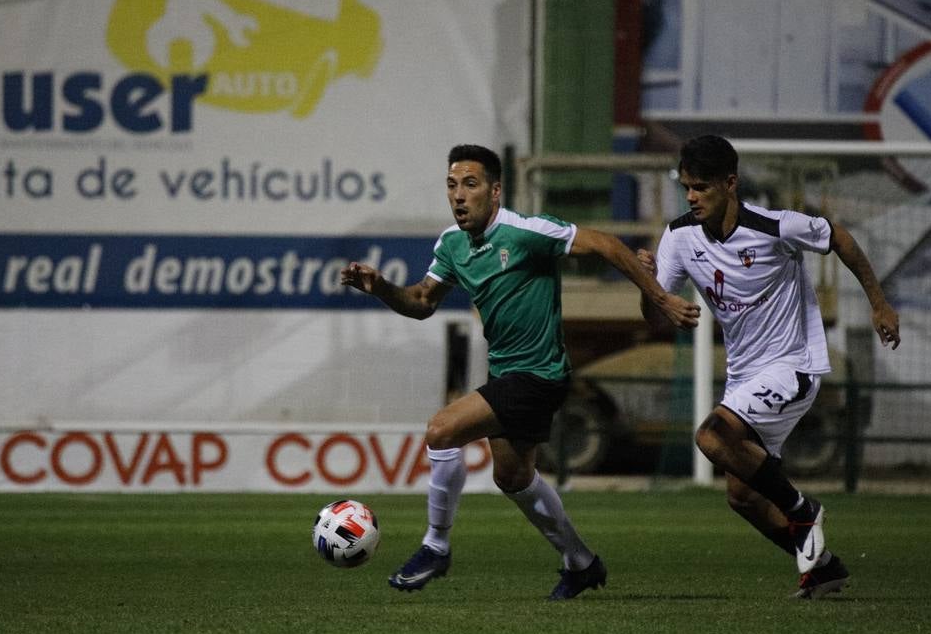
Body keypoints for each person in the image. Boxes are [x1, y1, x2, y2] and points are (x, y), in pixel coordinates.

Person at [340, 144, 700, 599]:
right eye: (452, 185)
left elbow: (607, 245)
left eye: (470, 185)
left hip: (540, 373)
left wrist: (662, 297)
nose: (458, 196)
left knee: (441, 430)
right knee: (513, 478)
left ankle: (436, 546)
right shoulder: (452, 244)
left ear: (495, 191)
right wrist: (381, 288)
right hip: (507, 374)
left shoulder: (526, 232)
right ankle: (581, 562)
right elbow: (421, 303)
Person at [638, 134, 900, 599]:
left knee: (710, 436)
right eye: (686, 188)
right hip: (744, 376)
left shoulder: (773, 225)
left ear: (731, 183)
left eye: (701, 187)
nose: (692, 197)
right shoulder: (679, 237)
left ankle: (802, 508)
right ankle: (823, 568)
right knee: (741, 497)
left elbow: (837, 236)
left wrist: (879, 303)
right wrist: (649, 287)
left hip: (792, 365)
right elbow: (653, 314)